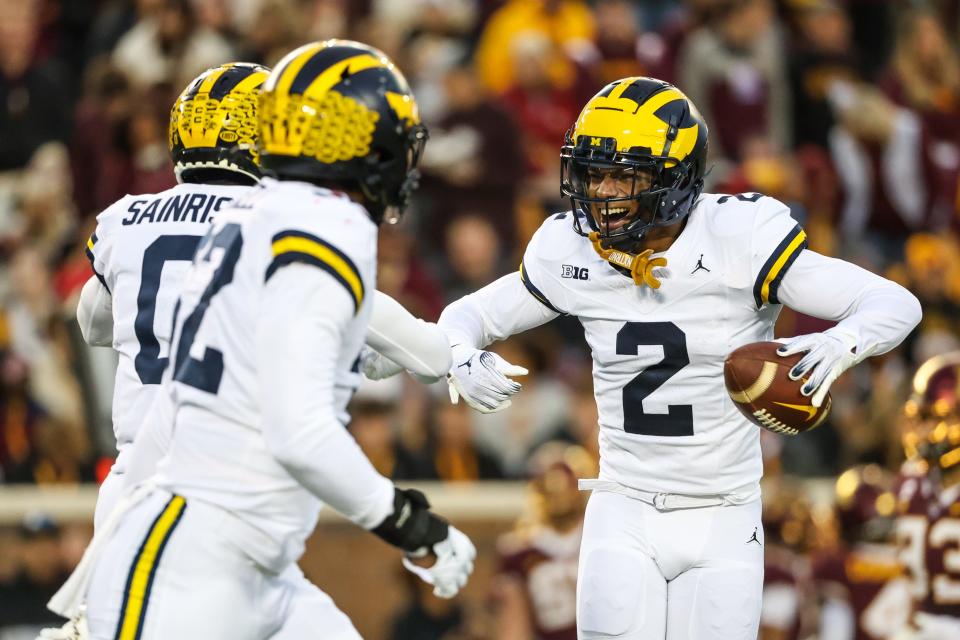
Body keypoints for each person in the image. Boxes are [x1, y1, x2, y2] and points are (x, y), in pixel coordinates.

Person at [437, 76, 922, 638]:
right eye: (596, 173)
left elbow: (894, 303)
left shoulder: (738, 236)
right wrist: (458, 356)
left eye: (626, 173)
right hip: (623, 507)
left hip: (725, 512)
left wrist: (840, 344)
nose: (605, 192)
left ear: (675, 177)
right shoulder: (571, 247)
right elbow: (467, 316)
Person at [59, 41, 473, 640]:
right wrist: (409, 521)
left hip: (233, 543)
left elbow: (129, 350)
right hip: (194, 548)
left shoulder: (244, 223)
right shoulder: (308, 229)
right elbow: (301, 431)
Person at [491, 443, 594, 640]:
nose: (560, 495)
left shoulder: (600, 539)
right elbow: (513, 627)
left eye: (566, 486)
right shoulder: (519, 552)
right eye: (552, 488)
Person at [895, 352, 960, 639]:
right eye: (921, 419)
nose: (923, 432)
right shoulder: (911, 480)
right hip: (919, 626)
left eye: (935, 419)